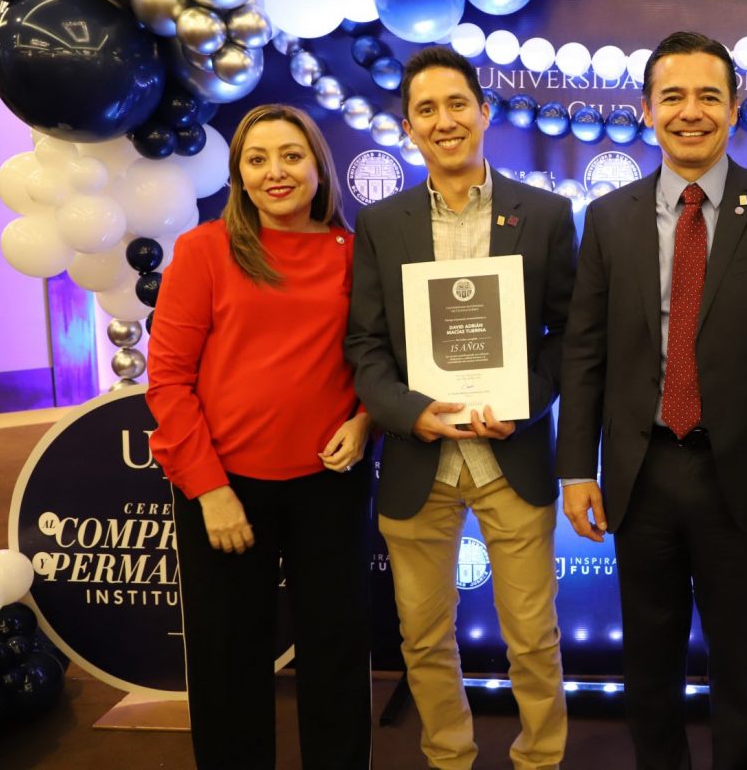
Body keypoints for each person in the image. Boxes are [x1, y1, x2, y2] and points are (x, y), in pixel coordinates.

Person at [556, 31, 747, 770]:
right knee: (649, 666)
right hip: (641, 473)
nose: (691, 112)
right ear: (647, 110)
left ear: (734, 109)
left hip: (742, 477)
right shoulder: (608, 217)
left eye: (709, 96)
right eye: (672, 97)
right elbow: (584, 352)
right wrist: (576, 468)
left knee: (738, 667)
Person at [345, 46, 576, 770]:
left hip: (512, 453)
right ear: (407, 128)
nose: (443, 121)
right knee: (422, 637)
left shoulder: (545, 214)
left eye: (456, 104)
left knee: (532, 637)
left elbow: (569, 333)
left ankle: (540, 758)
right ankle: (449, 758)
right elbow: (365, 344)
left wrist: (523, 402)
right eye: (426, 110)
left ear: (484, 111)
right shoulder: (381, 223)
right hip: (420, 459)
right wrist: (407, 411)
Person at [147, 104, 372, 770]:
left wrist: (366, 420)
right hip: (225, 489)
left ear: (318, 167)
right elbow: (168, 381)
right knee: (227, 663)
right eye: (257, 159)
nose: (276, 171)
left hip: (330, 483)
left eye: (291, 156)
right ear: (239, 175)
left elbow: (381, 356)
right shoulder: (204, 250)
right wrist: (209, 489)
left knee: (335, 656)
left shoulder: (355, 253)